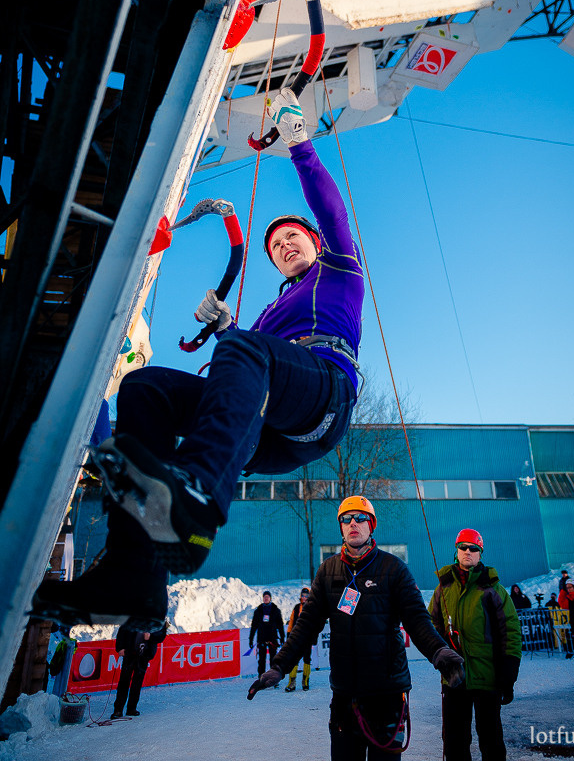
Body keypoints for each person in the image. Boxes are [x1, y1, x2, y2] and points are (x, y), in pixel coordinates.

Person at [33, 90, 364, 629]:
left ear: (316, 240)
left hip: (323, 398)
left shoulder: (340, 271)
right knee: (145, 388)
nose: (284, 245)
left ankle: (197, 496)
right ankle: (136, 574)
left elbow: (331, 208)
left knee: (245, 349)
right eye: (276, 244)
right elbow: (246, 371)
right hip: (266, 425)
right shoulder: (268, 315)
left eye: (293, 236)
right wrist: (223, 327)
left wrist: (300, 143)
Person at [248, 496, 465, 760]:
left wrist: (439, 652)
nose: (353, 523)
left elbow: (417, 619)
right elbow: (306, 626)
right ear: (340, 527)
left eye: (360, 518)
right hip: (344, 695)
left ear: (371, 525)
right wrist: (279, 666)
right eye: (346, 518)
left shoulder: (394, 568)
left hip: (387, 695)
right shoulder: (328, 571)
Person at [428, 528, 521, 761]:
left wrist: (508, 673)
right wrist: (439, 653)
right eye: (463, 547)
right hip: (453, 677)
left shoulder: (493, 590)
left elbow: (510, 632)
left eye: (474, 548)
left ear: (480, 553)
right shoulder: (443, 588)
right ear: (456, 551)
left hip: (487, 677)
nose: (468, 552)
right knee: (454, 742)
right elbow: (431, 624)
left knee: (491, 740)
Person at [110, 620, 167, 719]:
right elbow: (122, 631)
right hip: (129, 653)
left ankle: (131, 708)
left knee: (137, 683)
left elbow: (161, 635)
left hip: (144, 655)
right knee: (124, 682)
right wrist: (119, 648)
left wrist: (151, 637)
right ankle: (118, 710)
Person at [285, 587, 316, 691]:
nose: (304, 597)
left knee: (307, 660)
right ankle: (291, 683)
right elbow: (291, 622)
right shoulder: (297, 607)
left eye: (306, 596)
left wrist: (314, 637)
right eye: (303, 596)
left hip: (307, 638)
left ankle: (305, 682)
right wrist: (289, 634)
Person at [249, 591, 285, 678]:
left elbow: (280, 625)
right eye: (264, 597)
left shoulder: (275, 610)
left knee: (273, 659)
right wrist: (251, 639)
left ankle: (274, 677)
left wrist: (282, 637)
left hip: (272, 638)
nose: (266, 599)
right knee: (262, 660)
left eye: (267, 597)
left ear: (270, 598)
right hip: (262, 638)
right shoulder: (258, 611)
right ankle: (261, 677)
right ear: (263, 599)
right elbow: (254, 626)